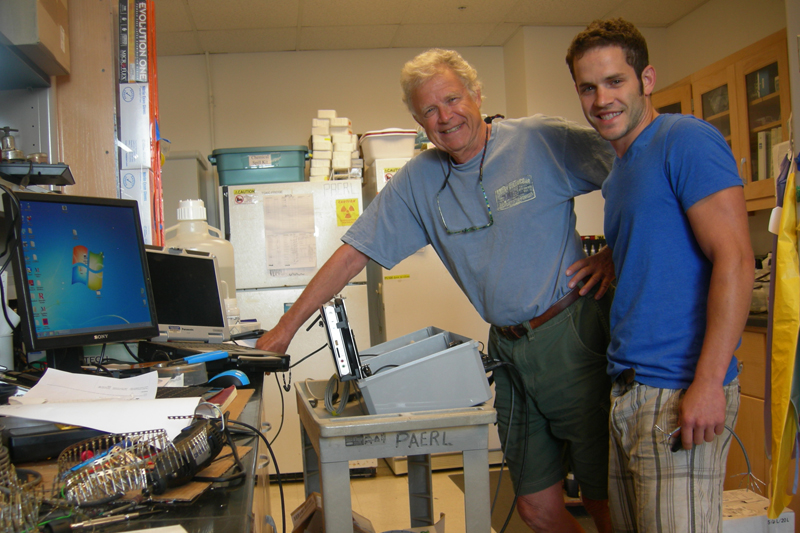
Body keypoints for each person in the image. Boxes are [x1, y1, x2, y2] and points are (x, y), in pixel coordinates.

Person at [257, 48, 616, 533]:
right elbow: (352, 253)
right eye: (429, 109)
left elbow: (633, 168)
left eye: (452, 98)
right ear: (417, 119)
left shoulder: (540, 139)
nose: (445, 116)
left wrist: (616, 250)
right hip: (508, 349)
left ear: (476, 95)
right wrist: (283, 330)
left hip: (572, 335)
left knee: (605, 497)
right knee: (535, 507)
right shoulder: (419, 180)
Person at [566, 19, 754, 532]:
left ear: (646, 79)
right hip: (629, 390)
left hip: (679, 389)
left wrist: (709, 382)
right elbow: (664, 239)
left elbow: (736, 260)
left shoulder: (685, 139)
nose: (601, 98)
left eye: (614, 81)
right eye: (588, 87)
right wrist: (612, 255)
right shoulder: (620, 172)